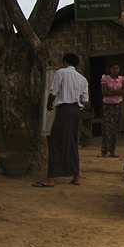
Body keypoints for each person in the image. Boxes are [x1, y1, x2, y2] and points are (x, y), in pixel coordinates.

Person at [33, 53, 89, 187]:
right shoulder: (82, 79)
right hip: (76, 111)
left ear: (65, 62)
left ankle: (51, 178)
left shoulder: (61, 72)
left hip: (64, 110)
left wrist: (49, 104)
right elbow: (85, 101)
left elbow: (53, 92)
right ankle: (76, 176)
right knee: (72, 141)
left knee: (55, 140)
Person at [100, 62, 124, 158]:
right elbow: (104, 92)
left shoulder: (122, 79)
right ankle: (105, 150)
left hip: (117, 105)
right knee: (106, 127)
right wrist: (117, 92)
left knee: (115, 128)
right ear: (110, 69)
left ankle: (112, 150)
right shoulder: (105, 78)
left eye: (117, 68)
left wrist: (112, 91)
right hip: (107, 105)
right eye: (113, 68)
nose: (115, 70)